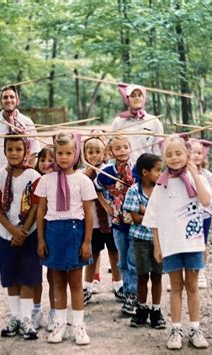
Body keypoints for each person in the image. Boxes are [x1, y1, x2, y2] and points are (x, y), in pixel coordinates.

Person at [142, 135, 212, 350]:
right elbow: (154, 218)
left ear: (188, 155)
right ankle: (175, 329)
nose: (174, 158)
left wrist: (194, 174)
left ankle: (195, 328)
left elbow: (205, 200)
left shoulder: (196, 178)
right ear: (163, 159)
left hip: (192, 243)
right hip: (171, 244)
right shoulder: (161, 185)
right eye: (169, 155)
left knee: (192, 286)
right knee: (175, 287)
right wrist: (157, 245)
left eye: (178, 153)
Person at [35, 132, 97, 345]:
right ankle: (60, 323)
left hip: (75, 232)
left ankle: (79, 326)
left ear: (75, 153)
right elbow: (41, 211)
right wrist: (41, 240)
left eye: (68, 153)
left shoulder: (83, 180)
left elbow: (89, 213)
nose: (63, 157)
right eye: (59, 153)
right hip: (53, 232)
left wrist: (87, 241)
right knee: (57, 281)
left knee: (76, 282)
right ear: (54, 153)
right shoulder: (45, 180)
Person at [0, 85, 40, 266]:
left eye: (12, 97)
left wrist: (29, 173)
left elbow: (34, 151)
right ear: (0, 101)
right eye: (5, 98)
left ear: (17, 99)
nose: (9, 100)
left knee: (21, 211)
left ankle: (19, 243)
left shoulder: (27, 122)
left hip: (22, 173)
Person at [0, 135, 42, 340]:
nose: (14, 153)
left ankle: (27, 319)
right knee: (11, 277)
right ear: (4, 152)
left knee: (28, 277)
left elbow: (36, 205)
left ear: (26, 152)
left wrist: (24, 231)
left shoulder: (33, 176)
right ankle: (15, 317)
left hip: (29, 234)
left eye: (18, 149)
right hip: (6, 234)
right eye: (10, 149)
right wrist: (12, 230)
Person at [94, 135, 137, 315]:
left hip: (136, 223)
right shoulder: (107, 172)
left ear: (130, 148)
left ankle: (135, 295)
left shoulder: (136, 170)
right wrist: (104, 204)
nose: (122, 151)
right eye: (117, 148)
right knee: (123, 261)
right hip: (118, 224)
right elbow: (95, 187)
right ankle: (127, 294)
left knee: (133, 261)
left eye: (125, 147)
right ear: (111, 152)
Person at [123, 153, 165, 329]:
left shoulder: (163, 189)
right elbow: (134, 218)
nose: (160, 174)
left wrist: (144, 210)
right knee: (142, 276)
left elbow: (165, 214)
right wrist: (151, 213)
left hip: (159, 240)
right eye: (157, 170)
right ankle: (141, 309)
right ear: (145, 172)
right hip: (140, 240)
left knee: (157, 276)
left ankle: (156, 310)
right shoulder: (134, 190)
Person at [81, 137, 123, 305]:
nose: (94, 155)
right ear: (85, 154)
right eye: (90, 152)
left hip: (111, 220)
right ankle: (87, 286)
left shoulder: (109, 170)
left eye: (98, 152)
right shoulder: (82, 174)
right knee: (93, 254)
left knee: (115, 252)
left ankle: (118, 284)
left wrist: (107, 203)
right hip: (94, 223)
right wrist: (88, 174)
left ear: (105, 153)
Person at [189, 139, 212, 288]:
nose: (197, 156)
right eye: (193, 152)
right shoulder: (181, 174)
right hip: (186, 215)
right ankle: (186, 273)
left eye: (199, 153)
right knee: (186, 244)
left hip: (204, 215)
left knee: (201, 244)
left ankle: (201, 272)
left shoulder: (207, 175)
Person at [32, 145, 56, 331]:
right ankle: (36, 310)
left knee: (54, 274)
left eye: (51, 160)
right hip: (34, 231)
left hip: (54, 231)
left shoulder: (58, 180)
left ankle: (55, 311)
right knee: (34, 274)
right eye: (42, 160)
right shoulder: (32, 180)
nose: (46, 164)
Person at [112, 83, 164, 165]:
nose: (137, 98)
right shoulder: (118, 122)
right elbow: (113, 148)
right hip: (124, 170)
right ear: (126, 99)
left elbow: (158, 152)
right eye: (133, 96)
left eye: (140, 95)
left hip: (147, 170)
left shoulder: (154, 121)